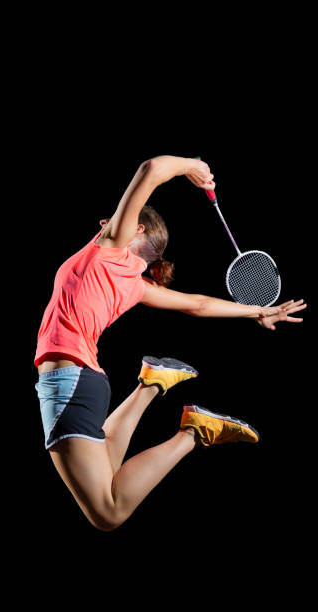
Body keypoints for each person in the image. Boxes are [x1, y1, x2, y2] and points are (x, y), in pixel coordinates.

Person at [34, 155, 307, 532]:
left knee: (108, 513)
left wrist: (191, 166)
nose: (106, 222)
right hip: (83, 380)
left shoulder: (111, 251)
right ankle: (151, 383)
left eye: (115, 221)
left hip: (70, 378)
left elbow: (150, 170)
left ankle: (192, 433)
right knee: (110, 477)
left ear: (137, 229)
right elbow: (197, 305)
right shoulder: (134, 283)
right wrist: (256, 312)